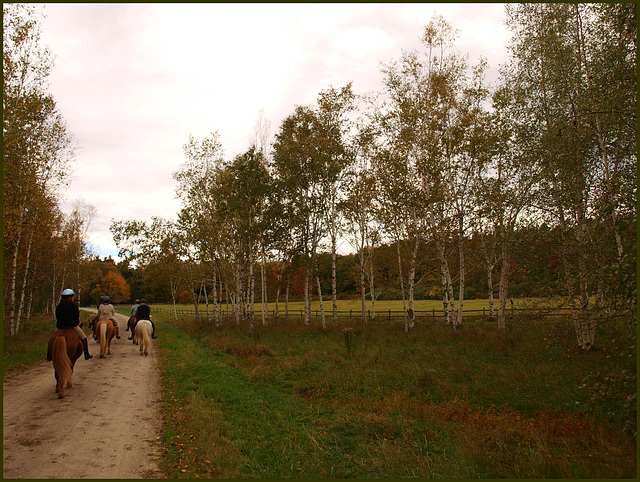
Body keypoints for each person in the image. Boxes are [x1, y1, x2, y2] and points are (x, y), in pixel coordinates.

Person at [47, 288, 92, 360]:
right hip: (73, 326)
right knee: (84, 338)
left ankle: (49, 356)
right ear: (70, 297)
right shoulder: (74, 306)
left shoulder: (58, 307)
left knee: (51, 340)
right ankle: (87, 354)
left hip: (60, 327)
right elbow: (76, 318)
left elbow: (58, 317)